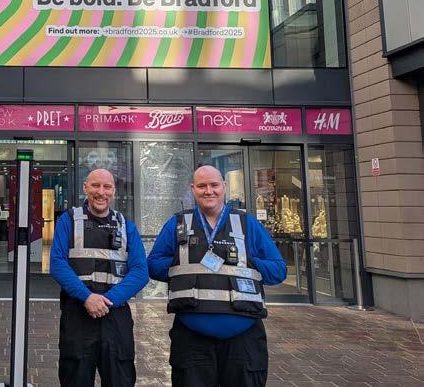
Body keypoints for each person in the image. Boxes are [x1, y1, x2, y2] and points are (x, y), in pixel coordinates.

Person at [147, 165, 287, 387]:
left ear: (224, 187)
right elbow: (153, 265)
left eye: (214, 185)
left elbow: (278, 270)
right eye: (201, 186)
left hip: (243, 341)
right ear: (193, 189)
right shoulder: (178, 223)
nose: (208, 191)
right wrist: (183, 262)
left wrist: (246, 261)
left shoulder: (247, 224)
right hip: (192, 341)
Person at [50, 169, 149, 387]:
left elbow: (140, 271)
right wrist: (87, 297)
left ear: (113, 191)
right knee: (75, 379)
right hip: (78, 314)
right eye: (95, 185)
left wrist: (107, 301)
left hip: (116, 316)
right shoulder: (68, 221)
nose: (101, 192)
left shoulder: (126, 225)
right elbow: (57, 263)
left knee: (120, 380)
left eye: (107, 187)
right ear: (85, 187)